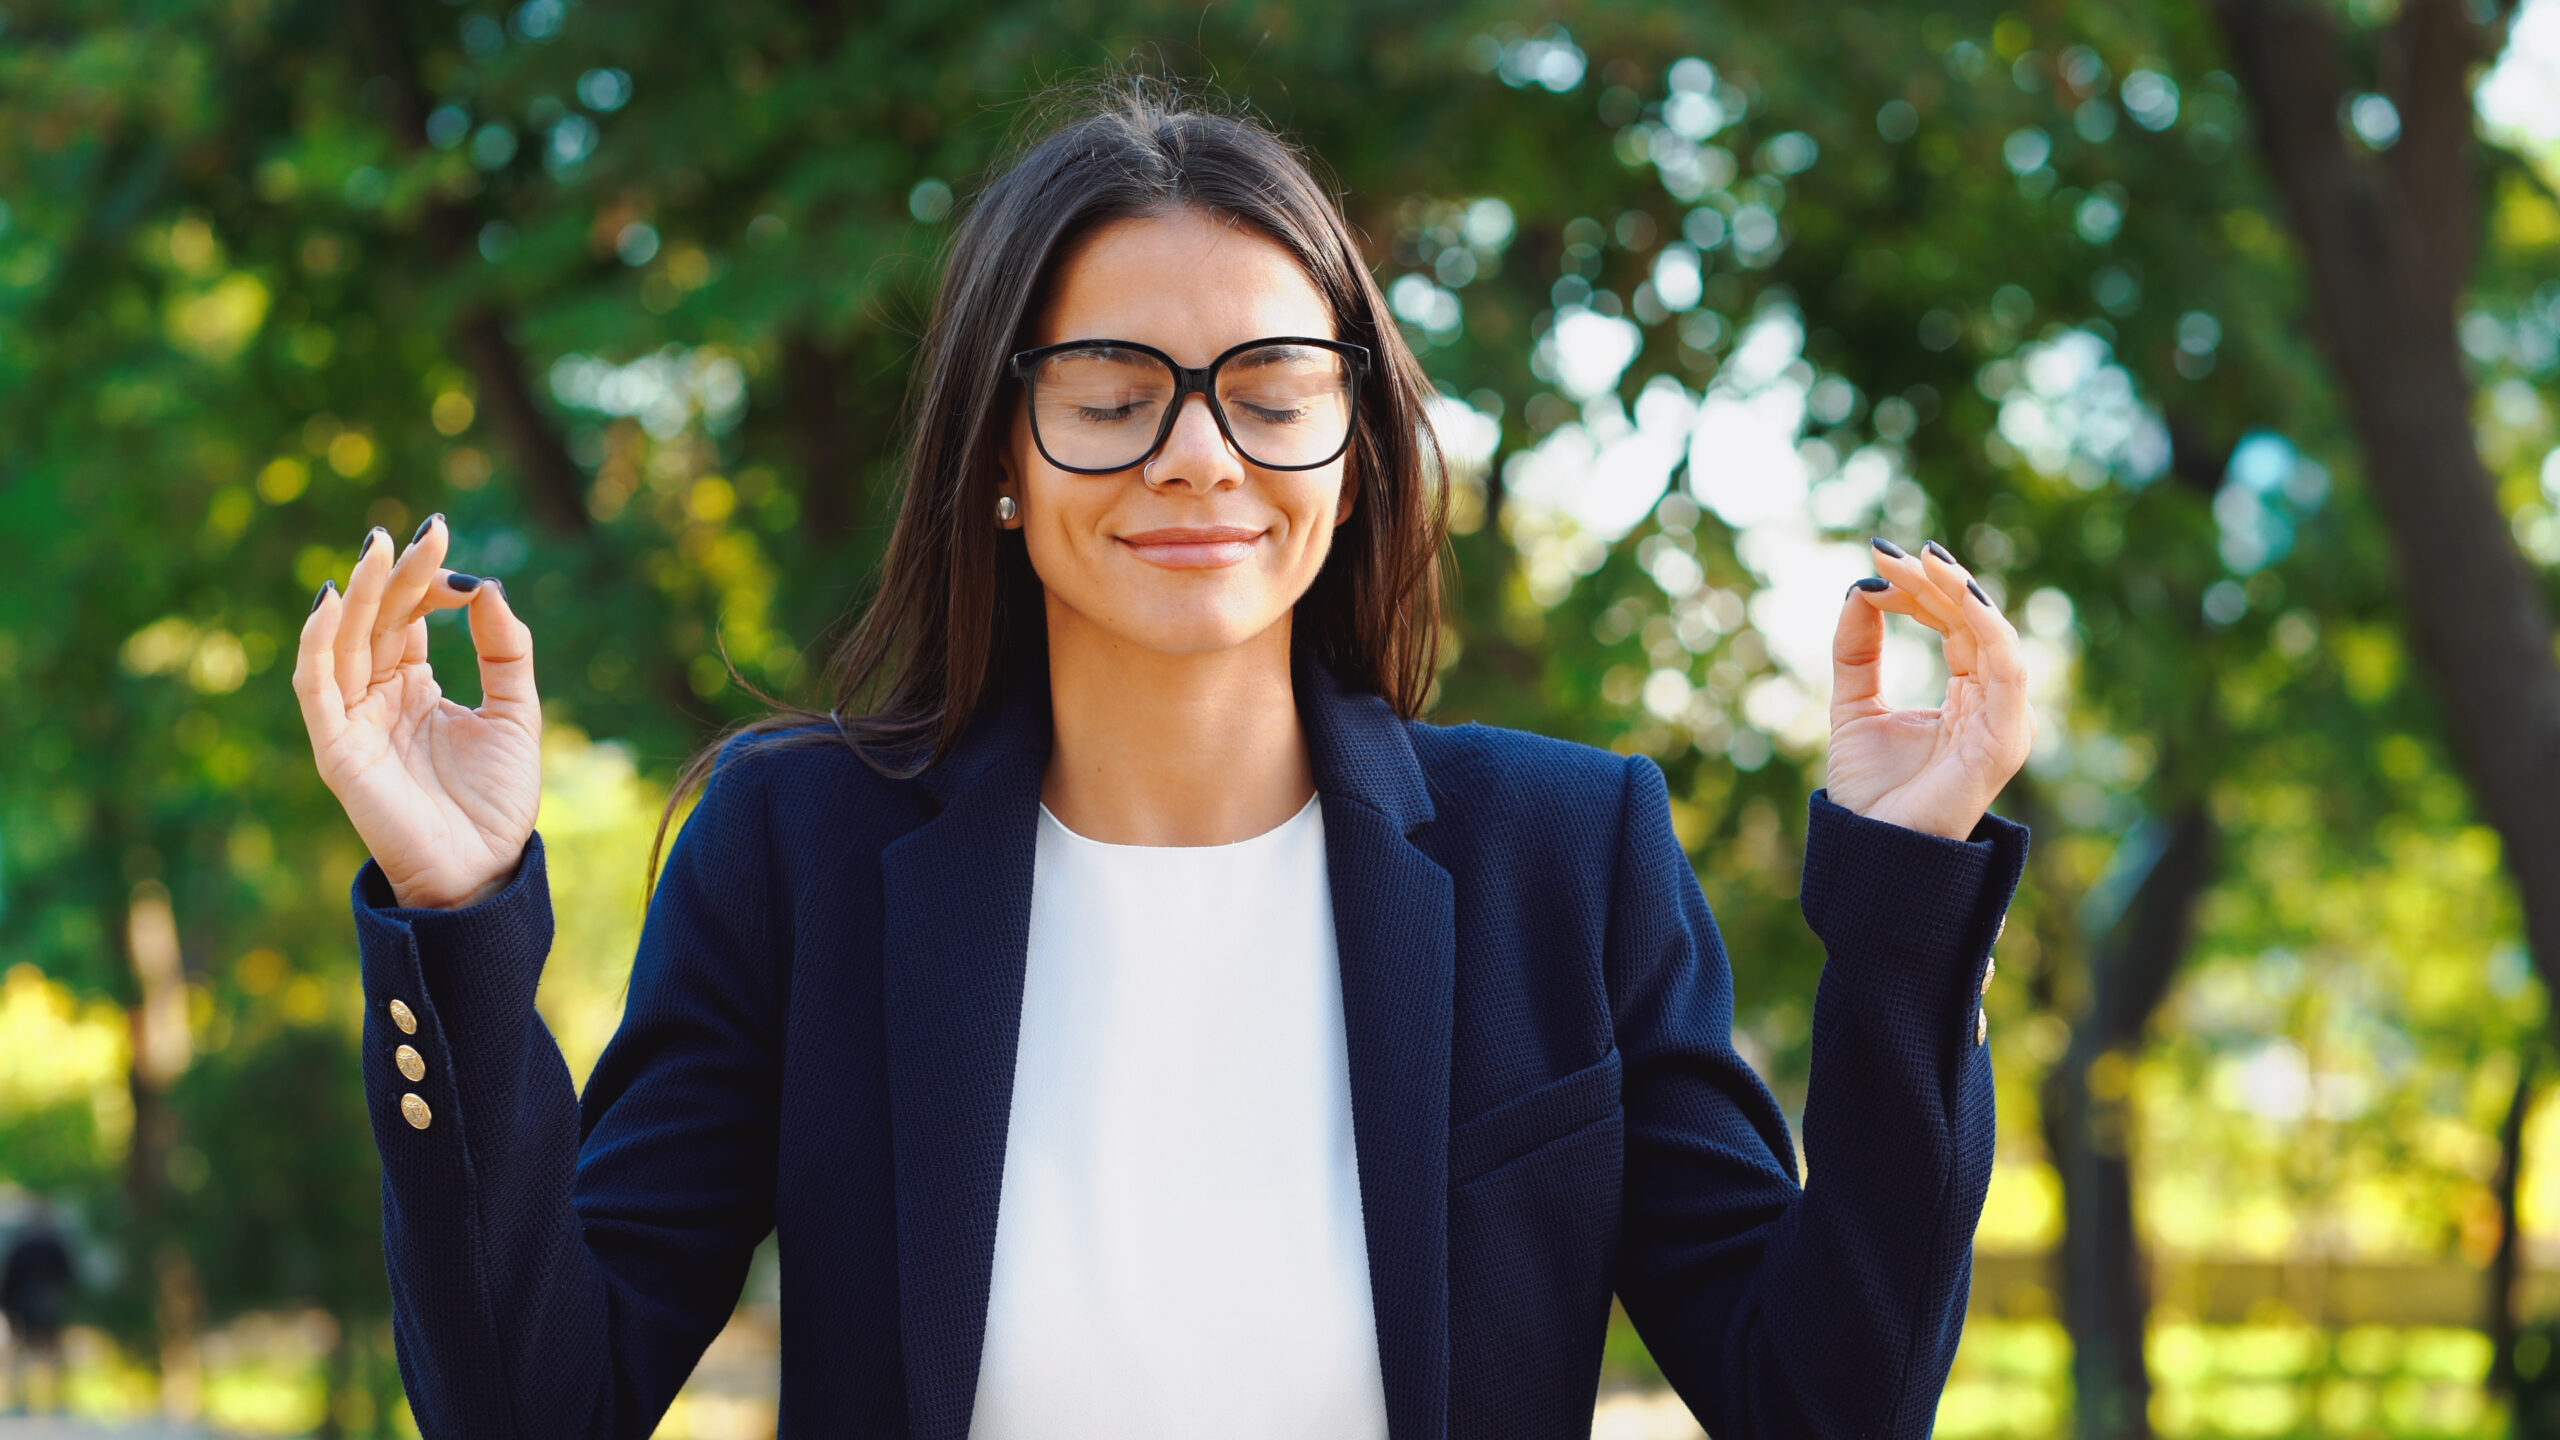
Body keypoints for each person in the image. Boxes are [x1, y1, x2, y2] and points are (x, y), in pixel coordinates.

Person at [290, 86, 2033, 1440]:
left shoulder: (1564, 860)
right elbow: (537, 1405)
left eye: (1272, 391)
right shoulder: (796, 851)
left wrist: (1902, 911)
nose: (1202, 458)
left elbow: (1829, 1403)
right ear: (996, 451)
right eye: (1115, 395)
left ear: (1349, 452)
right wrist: (456, 909)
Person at [1, 1202, 74, 1415]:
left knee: (34, 1354)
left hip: (30, 1307)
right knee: (47, 1353)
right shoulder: (53, 1246)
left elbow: (8, 1281)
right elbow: (69, 1278)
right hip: (41, 1307)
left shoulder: (24, 1247)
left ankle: (32, 1400)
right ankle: (52, 1401)